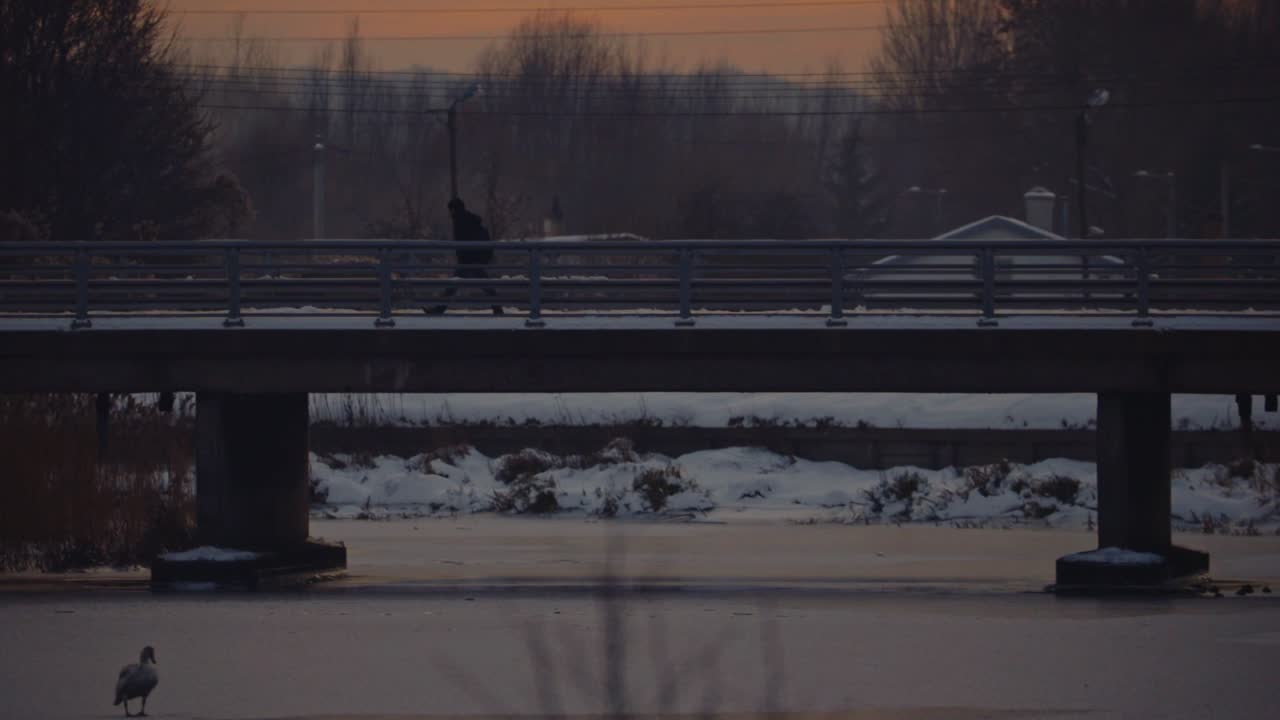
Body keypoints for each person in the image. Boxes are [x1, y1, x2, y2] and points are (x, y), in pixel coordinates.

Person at [425, 197, 502, 315]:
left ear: (454, 209)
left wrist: (463, 257)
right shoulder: (468, 218)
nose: (450, 213)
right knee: (484, 285)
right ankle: (498, 309)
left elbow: (463, 241)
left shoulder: (460, 220)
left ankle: (438, 309)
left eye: (450, 210)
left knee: (454, 285)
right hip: (474, 258)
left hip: (468, 260)